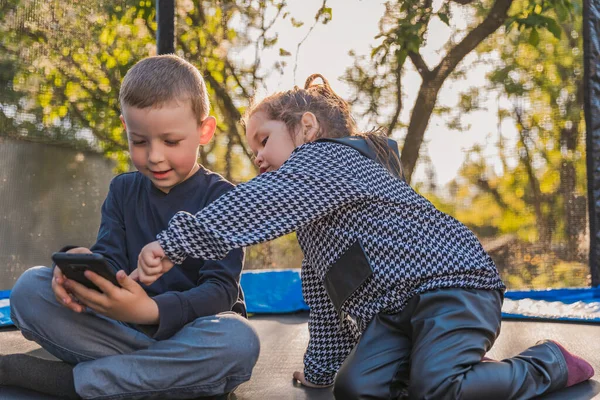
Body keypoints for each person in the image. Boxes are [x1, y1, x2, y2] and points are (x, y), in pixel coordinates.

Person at [135, 73, 594, 399]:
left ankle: (548, 363)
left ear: (307, 129)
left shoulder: (328, 161)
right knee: (356, 388)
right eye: (252, 147)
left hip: (453, 286)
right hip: (393, 313)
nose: (256, 155)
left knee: (438, 389)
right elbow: (326, 303)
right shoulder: (315, 225)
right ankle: (456, 369)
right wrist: (320, 373)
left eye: (264, 139)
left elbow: (256, 205)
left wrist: (176, 243)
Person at [6, 55, 260, 400]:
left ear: (204, 131)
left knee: (239, 340)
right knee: (28, 290)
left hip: (193, 333)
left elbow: (220, 290)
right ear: (126, 128)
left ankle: (74, 382)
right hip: (122, 331)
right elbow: (109, 258)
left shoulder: (225, 199)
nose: (154, 156)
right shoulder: (123, 190)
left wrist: (151, 311)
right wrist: (80, 267)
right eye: (140, 142)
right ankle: (161, 376)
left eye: (170, 142)